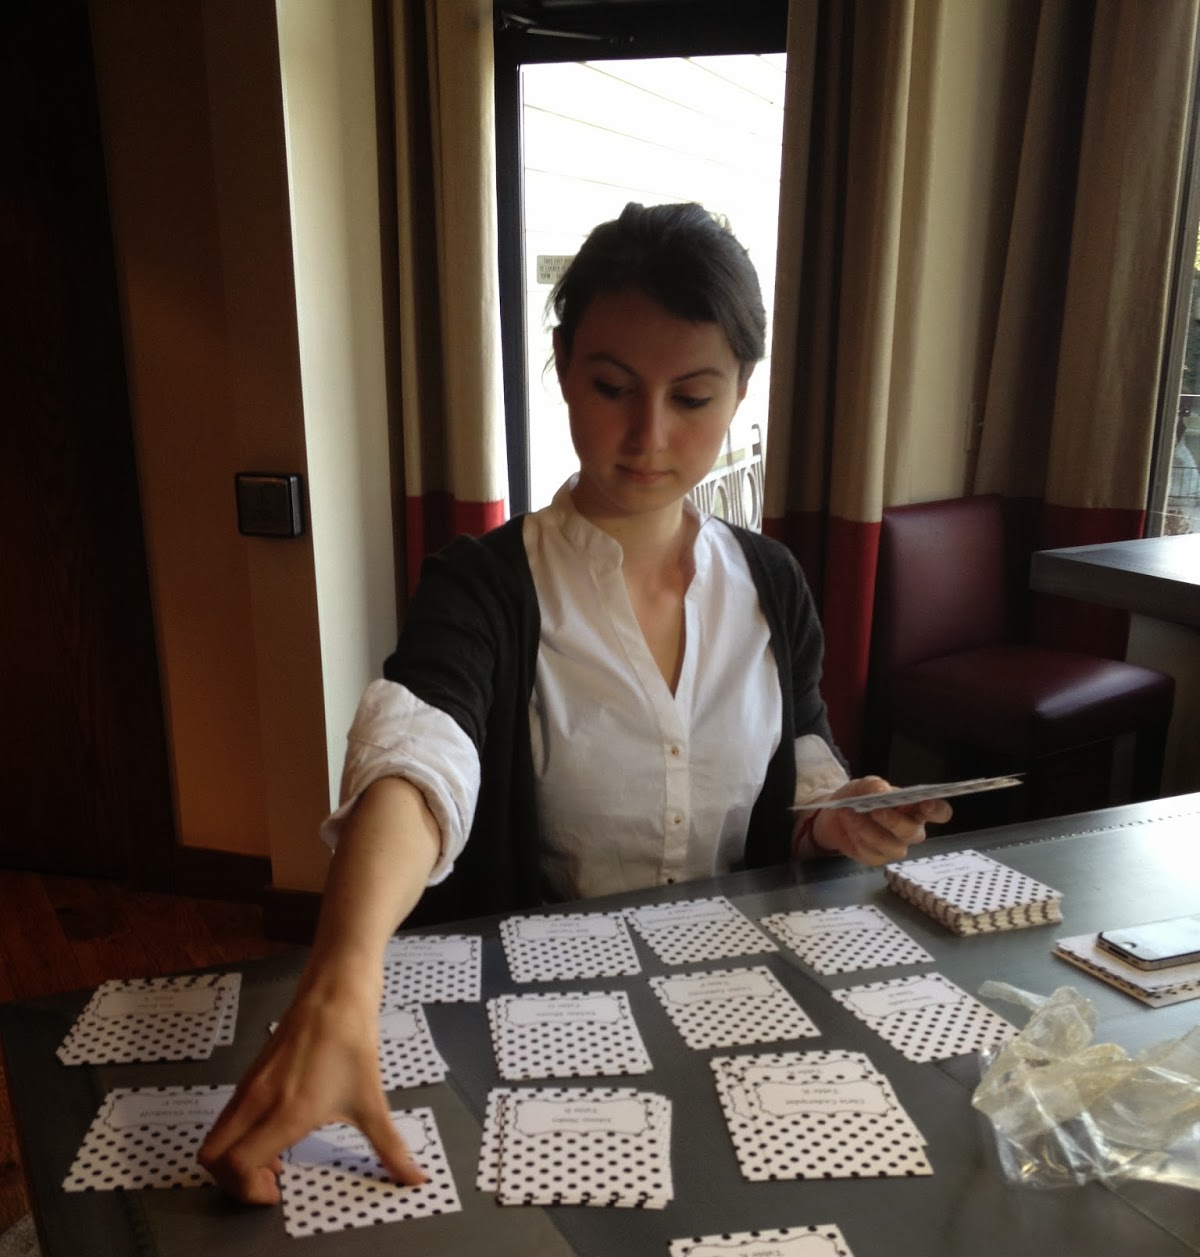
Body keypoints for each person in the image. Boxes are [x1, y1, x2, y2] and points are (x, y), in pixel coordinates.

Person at [200, 201, 950, 1204]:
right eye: (611, 387)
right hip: (533, 1028)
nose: (649, 436)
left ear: (742, 390)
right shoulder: (484, 587)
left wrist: (836, 814)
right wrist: (343, 977)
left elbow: (799, 756)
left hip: (731, 1012)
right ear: (561, 368)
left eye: (693, 397)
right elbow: (421, 753)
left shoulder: (772, 583)